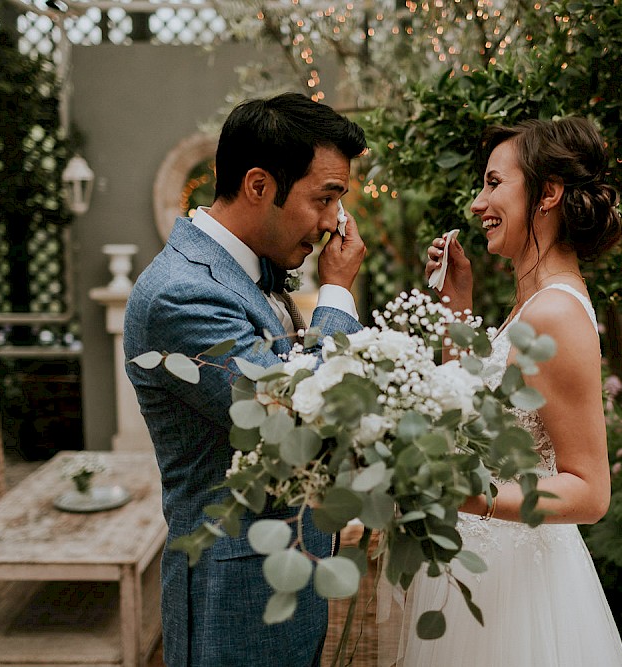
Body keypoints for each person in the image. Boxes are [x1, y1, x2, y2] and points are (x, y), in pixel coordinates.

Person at [124, 93, 367, 667]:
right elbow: (296, 422)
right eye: (324, 198)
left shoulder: (255, 268)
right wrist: (336, 294)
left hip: (285, 572)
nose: (335, 221)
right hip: (235, 596)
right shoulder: (182, 294)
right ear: (259, 186)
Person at [399, 117, 622, 665]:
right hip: (485, 561)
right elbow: (474, 425)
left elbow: (589, 492)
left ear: (548, 193)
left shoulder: (554, 313)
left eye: (493, 183)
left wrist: (461, 494)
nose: (478, 204)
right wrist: (458, 306)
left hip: (519, 585)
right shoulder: (534, 306)